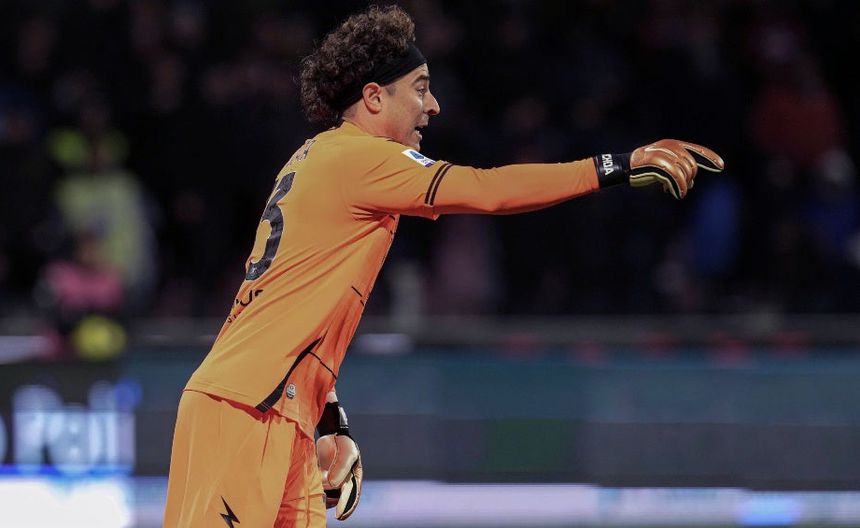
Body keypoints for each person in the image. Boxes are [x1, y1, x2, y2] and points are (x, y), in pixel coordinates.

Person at [164, 5, 724, 527]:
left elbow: (289, 309)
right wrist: (614, 167)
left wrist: (327, 417)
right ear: (374, 97)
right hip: (244, 411)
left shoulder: (326, 159)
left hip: (276, 409)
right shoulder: (360, 159)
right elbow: (486, 189)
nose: (433, 105)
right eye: (420, 89)